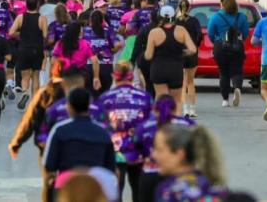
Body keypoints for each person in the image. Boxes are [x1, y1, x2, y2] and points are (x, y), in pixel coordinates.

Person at [44, 88, 116, 199]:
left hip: (66, 186)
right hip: (96, 186)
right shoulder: (103, 133)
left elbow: (49, 166)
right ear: (88, 106)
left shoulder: (59, 130)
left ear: (70, 107)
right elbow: (110, 168)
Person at [96, 61, 151, 202]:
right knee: (139, 192)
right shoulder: (144, 97)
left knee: (114, 192)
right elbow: (151, 126)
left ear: (114, 76)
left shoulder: (105, 98)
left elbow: (98, 126)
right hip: (138, 151)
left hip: (113, 151)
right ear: (132, 77)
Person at [151, 124, 226, 201]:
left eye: (159, 150)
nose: (153, 155)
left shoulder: (169, 191)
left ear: (179, 154)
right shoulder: (213, 187)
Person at [144, 5, 197, 112]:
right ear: (174, 17)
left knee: (160, 98)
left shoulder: (154, 32)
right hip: (175, 69)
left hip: (158, 69)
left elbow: (148, 56)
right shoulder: (181, 30)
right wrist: (182, 53)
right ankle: (175, 123)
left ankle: (160, 123)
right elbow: (193, 49)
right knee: (176, 100)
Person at [207, 0, 249, 107]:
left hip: (221, 48)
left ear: (223, 5)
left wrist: (216, 41)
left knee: (224, 73)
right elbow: (245, 33)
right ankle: (237, 88)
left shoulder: (215, 17)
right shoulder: (242, 17)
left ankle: (225, 100)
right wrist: (239, 41)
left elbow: (210, 34)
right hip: (237, 47)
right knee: (237, 71)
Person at [9, 0, 48, 110]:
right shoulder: (42, 18)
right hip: (37, 49)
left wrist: (20, 34)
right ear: (37, 5)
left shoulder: (21, 17)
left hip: (24, 49)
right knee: (35, 76)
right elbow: (45, 35)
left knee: (25, 76)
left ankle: (25, 92)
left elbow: (11, 33)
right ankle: (34, 103)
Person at [52, 22, 100, 89]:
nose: (82, 33)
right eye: (80, 31)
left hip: (64, 75)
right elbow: (95, 61)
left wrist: (53, 76)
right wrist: (96, 77)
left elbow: (53, 60)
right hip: (80, 75)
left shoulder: (60, 44)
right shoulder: (85, 44)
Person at [175, 0, 202, 118]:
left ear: (179, 8)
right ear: (189, 8)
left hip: (179, 53)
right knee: (190, 82)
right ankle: (192, 109)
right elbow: (199, 35)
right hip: (191, 52)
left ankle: (184, 108)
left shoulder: (176, 21)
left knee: (182, 82)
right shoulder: (194, 21)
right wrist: (195, 45)